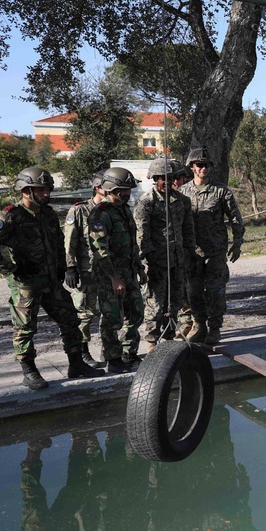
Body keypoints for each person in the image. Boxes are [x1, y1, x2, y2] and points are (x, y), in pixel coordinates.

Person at [0, 167, 104, 389]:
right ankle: (29, 370)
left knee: (70, 319)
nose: (46, 194)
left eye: (48, 189)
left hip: (52, 280)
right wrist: (10, 268)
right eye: (41, 190)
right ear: (26, 190)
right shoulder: (11, 216)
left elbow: (58, 242)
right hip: (26, 283)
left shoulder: (47, 214)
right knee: (25, 327)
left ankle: (76, 364)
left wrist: (64, 268)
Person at [179, 147, 245, 344]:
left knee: (216, 290)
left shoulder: (221, 191)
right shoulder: (183, 193)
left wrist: (237, 243)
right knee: (193, 291)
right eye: (199, 165)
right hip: (192, 252)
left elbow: (235, 218)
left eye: (207, 165)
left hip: (215, 251)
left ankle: (215, 327)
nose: (204, 169)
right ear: (192, 167)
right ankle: (199, 325)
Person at [134, 158, 197, 350]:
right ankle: (152, 343)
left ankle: (169, 339)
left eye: (170, 178)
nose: (167, 182)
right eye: (162, 179)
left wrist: (190, 253)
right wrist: (148, 260)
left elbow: (188, 230)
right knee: (155, 305)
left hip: (178, 261)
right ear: (154, 179)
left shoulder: (182, 201)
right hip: (157, 262)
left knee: (174, 303)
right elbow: (141, 233)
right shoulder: (147, 202)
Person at [89, 167, 146, 373]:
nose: (127, 193)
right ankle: (113, 359)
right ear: (111, 189)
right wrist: (114, 278)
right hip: (109, 276)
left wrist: (139, 268)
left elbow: (132, 244)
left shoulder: (124, 210)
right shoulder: (101, 214)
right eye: (123, 189)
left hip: (128, 272)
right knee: (112, 317)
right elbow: (99, 250)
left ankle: (128, 353)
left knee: (137, 312)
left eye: (128, 189)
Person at [63, 170, 107, 369]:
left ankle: (108, 349)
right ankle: (82, 353)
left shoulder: (108, 211)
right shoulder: (80, 211)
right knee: (84, 313)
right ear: (98, 188)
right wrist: (70, 266)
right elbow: (69, 241)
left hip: (102, 270)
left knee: (105, 311)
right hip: (84, 271)